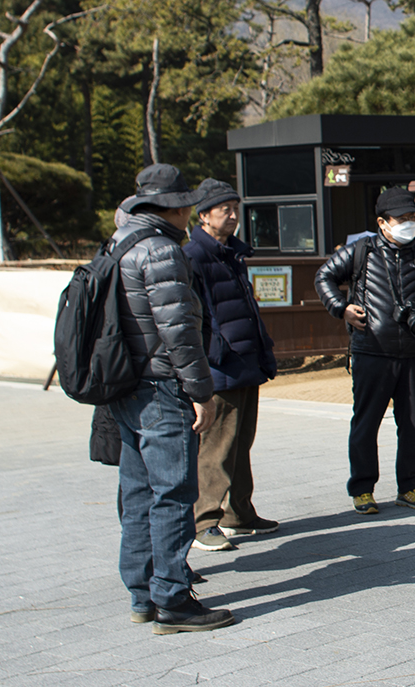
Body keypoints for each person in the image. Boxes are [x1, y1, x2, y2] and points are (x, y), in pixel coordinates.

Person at [110, 163, 234, 634]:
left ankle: (142, 594)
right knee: (173, 494)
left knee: (137, 492)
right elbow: (180, 331)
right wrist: (201, 392)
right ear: (177, 208)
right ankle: (173, 600)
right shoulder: (161, 250)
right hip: (160, 386)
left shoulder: (119, 242)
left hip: (124, 385)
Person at [315, 187, 415, 514]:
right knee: (366, 423)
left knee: (412, 425)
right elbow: (323, 276)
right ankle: (362, 489)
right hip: (371, 351)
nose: (409, 223)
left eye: (413, 217)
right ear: (382, 222)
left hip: (414, 353)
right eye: (401, 218)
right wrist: (342, 308)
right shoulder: (361, 252)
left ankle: (410, 487)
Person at [182, 179, 279, 552]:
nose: (234, 216)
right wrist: (212, 355)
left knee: (241, 443)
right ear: (204, 216)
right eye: (226, 210)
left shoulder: (232, 253)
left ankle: (239, 513)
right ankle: (204, 521)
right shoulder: (194, 256)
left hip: (245, 360)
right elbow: (196, 315)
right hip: (219, 364)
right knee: (217, 447)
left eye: (236, 209)